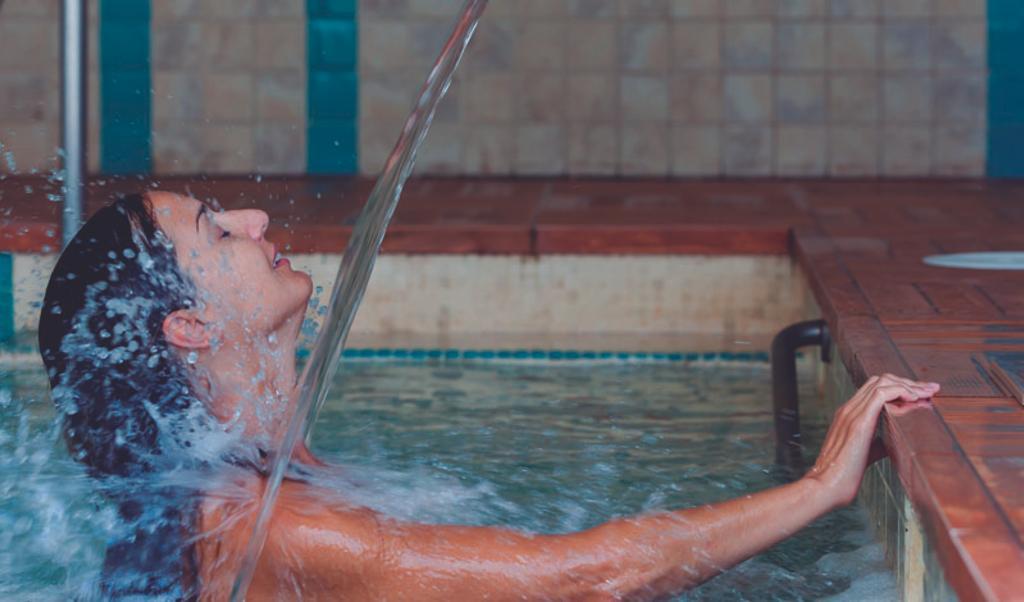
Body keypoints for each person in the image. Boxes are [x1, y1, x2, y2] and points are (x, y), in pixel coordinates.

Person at [38, 191, 940, 600]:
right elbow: (585, 580)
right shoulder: (284, 529)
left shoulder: (271, 471)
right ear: (188, 326)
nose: (257, 222)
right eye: (215, 228)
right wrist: (817, 489)